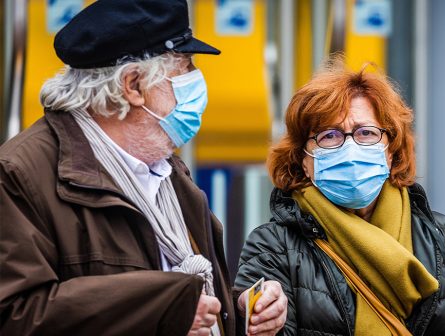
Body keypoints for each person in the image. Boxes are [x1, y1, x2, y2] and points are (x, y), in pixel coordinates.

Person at [0, 1, 286, 335]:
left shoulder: (167, 172)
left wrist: (239, 312)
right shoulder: (19, 174)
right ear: (133, 86)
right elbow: (17, 316)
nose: (197, 80)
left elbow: (189, 300)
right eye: (185, 67)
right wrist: (162, 309)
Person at [234, 58, 445, 336]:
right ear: (304, 160)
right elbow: (257, 318)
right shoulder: (273, 244)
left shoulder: (441, 235)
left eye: (366, 133)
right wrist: (260, 316)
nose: (350, 147)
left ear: (391, 152)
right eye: (329, 135)